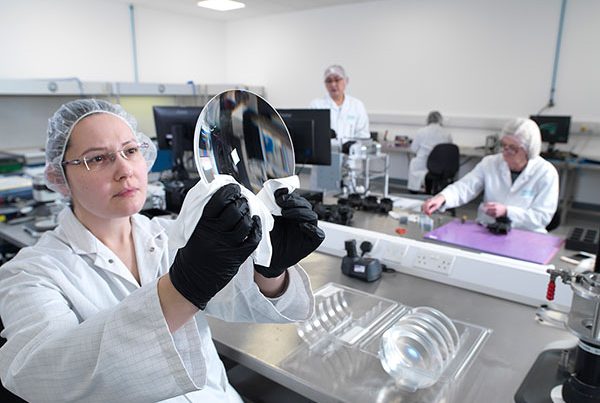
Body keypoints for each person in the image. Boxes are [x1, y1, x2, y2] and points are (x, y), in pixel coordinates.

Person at [0, 99, 324, 402]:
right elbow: (41, 377)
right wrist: (182, 289)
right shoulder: (32, 272)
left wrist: (270, 270)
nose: (125, 169)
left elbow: (233, 300)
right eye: (97, 158)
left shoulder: (168, 233)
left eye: (130, 150)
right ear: (60, 176)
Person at [421, 118, 559, 233]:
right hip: (488, 229)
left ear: (529, 150)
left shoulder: (546, 173)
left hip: (525, 235)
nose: (506, 151)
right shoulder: (491, 163)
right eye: (504, 145)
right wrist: (442, 198)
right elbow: (466, 186)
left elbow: (542, 216)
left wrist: (507, 211)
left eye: (513, 148)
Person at [310, 64, 370, 145]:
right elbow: (312, 135)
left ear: (346, 81)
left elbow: (363, 136)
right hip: (325, 155)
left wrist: (351, 147)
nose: (333, 84)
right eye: (329, 81)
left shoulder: (357, 105)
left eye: (337, 80)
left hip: (352, 155)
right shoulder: (316, 105)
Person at [407, 111, 453, 192]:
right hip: (441, 165)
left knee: (413, 163)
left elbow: (413, 149)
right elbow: (450, 148)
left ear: (428, 119)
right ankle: (433, 188)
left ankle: (413, 190)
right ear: (440, 120)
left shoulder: (422, 131)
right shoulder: (447, 133)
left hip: (424, 163)